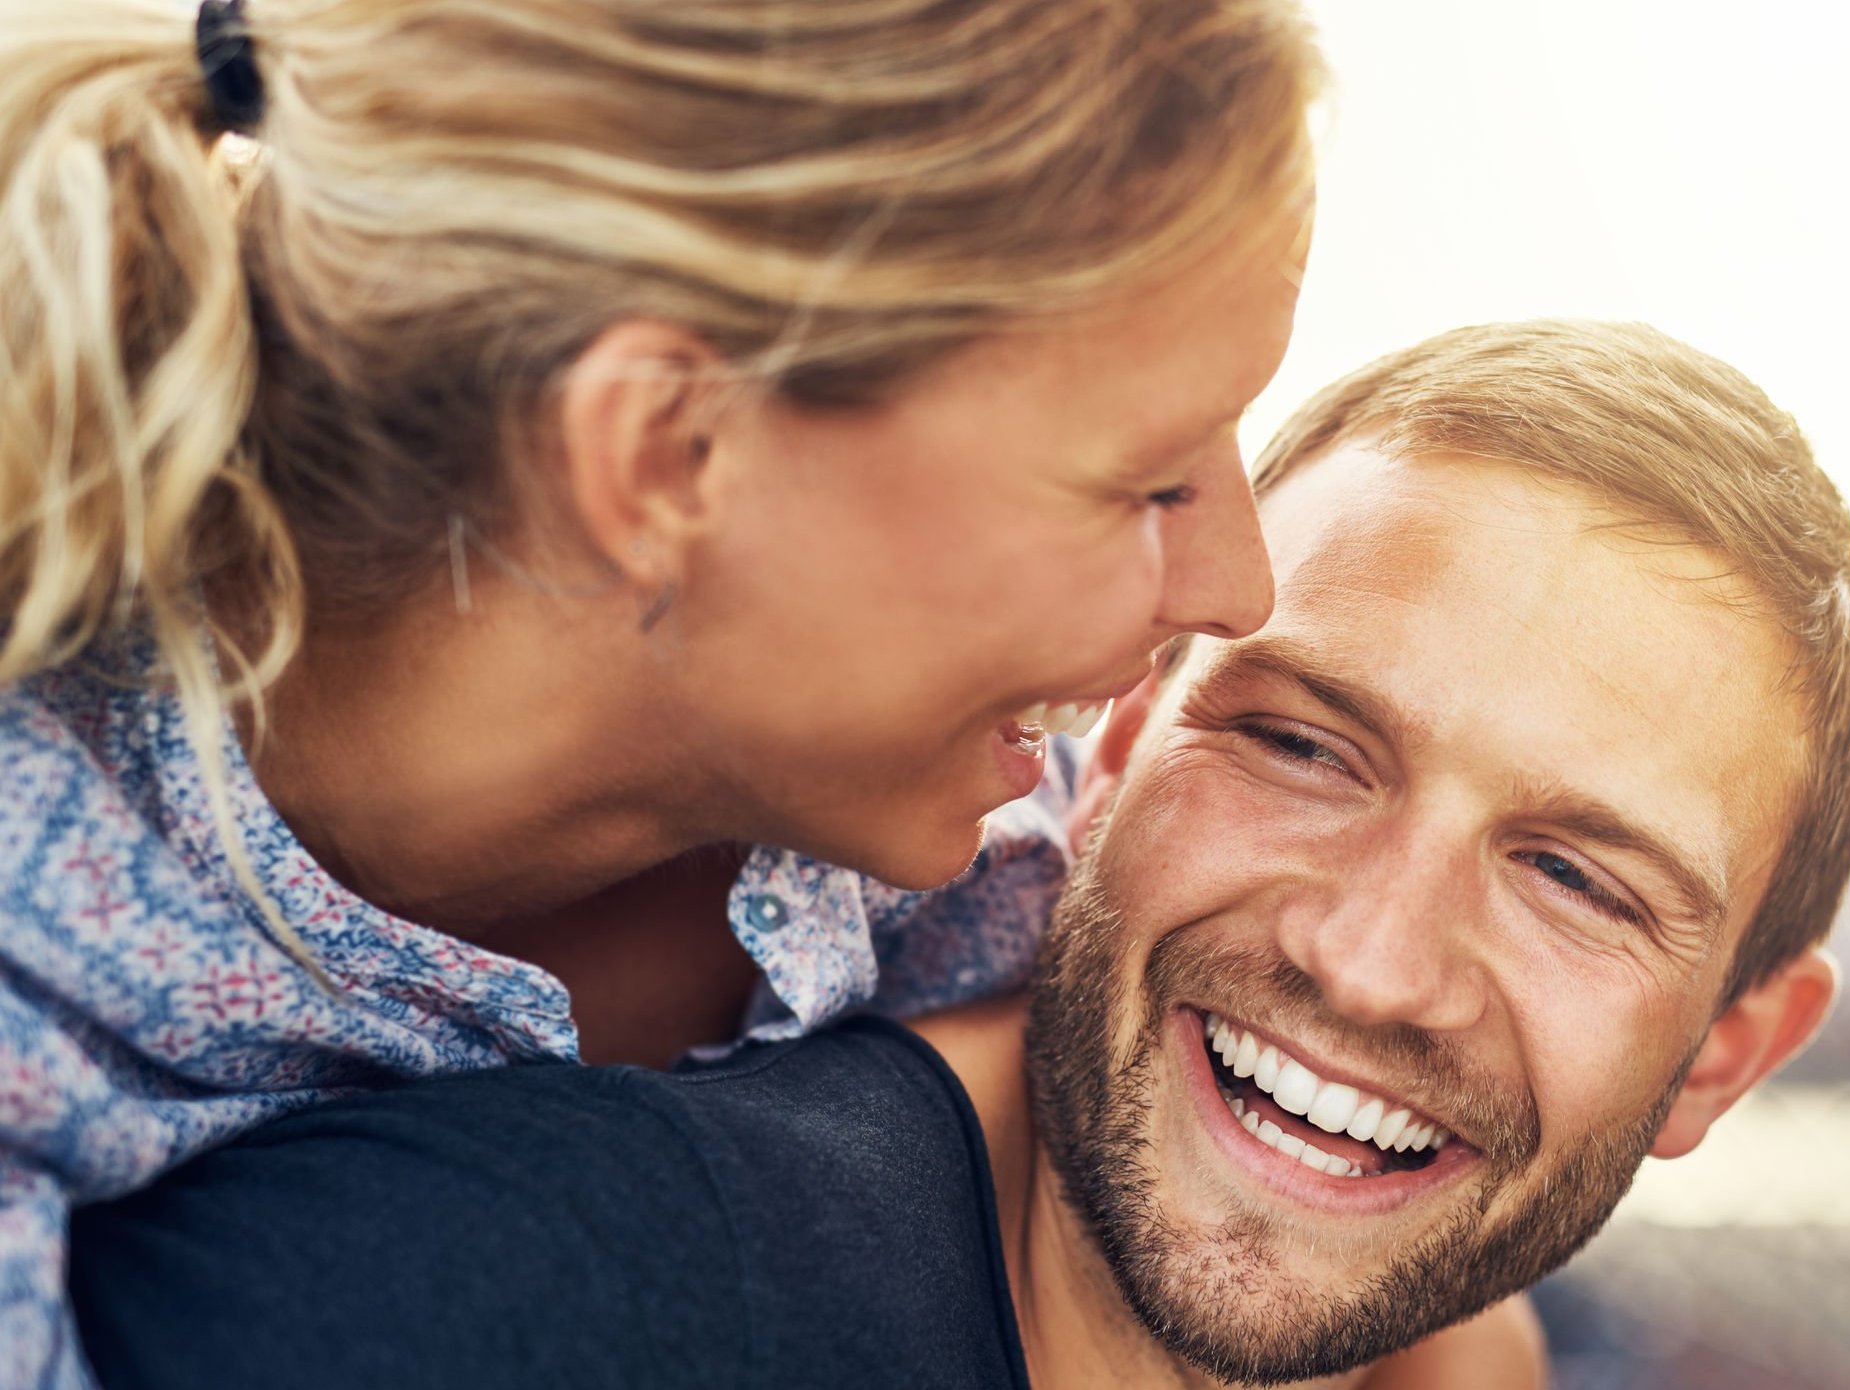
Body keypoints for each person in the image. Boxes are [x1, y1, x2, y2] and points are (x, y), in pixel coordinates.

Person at [68, 320, 1850, 1388]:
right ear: (1107, 750)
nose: (1373, 960)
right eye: (1300, 744)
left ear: (1724, 1049)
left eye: (1575, 876)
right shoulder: (504, 1299)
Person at [0, 0, 1321, 1383]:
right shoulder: (44, 977)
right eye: (1151, 480)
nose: (1239, 588)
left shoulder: (962, 830)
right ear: (666, 452)